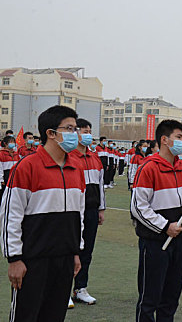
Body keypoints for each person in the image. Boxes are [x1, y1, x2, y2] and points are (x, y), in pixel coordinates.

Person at [0, 105, 85, 322]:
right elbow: (10, 215)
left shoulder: (76, 168)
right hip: (33, 261)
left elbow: (79, 214)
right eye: (69, 128)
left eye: (76, 129)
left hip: (65, 260)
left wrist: (75, 251)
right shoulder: (27, 166)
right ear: (51, 133)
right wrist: (15, 259)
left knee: (54, 315)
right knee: (26, 316)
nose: (75, 134)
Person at [131, 120, 182, 322]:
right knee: (150, 297)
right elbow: (138, 208)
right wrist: (164, 226)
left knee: (171, 296)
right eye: (179, 137)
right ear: (164, 140)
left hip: (178, 241)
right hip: (156, 242)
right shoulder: (149, 168)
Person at [69, 118, 106, 307]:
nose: (88, 134)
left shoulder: (95, 157)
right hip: (74, 211)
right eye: (84, 130)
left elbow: (99, 185)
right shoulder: (69, 157)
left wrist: (101, 208)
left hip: (91, 211)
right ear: (74, 133)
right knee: (70, 249)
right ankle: (64, 289)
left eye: (89, 130)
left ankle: (80, 288)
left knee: (87, 251)